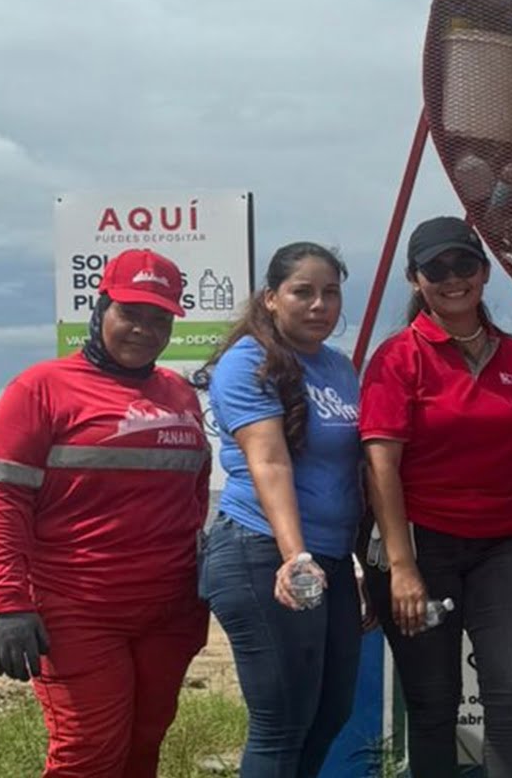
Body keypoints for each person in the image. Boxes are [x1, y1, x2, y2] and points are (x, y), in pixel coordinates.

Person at [0, 250, 211, 777]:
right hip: (77, 608)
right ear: (101, 307)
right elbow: (6, 503)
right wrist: (10, 604)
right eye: (130, 313)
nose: (144, 330)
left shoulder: (179, 393)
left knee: (144, 744)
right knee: (88, 753)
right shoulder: (39, 389)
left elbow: (195, 489)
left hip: (171, 608)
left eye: (159, 318)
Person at [358, 217, 512, 778]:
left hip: (505, 545)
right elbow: (380, 468)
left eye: (464, 264)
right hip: (423, 546)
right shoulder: (397, 357)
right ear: (415, 280)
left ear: (484, 272)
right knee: (434, 703)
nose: (452, 278)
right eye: (435, 269)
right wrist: (402, 568)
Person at [198, 241, 364, 778]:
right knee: (282, 724)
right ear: (271, 298)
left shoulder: (338, 368)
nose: (319, 305)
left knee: (330, 713)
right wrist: (296, 558)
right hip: (261, 552)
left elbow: (355, 469)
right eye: (302, 292)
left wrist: (367, 560)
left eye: (331, 293)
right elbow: (268, 462)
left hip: (330, 559)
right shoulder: (247, 362)